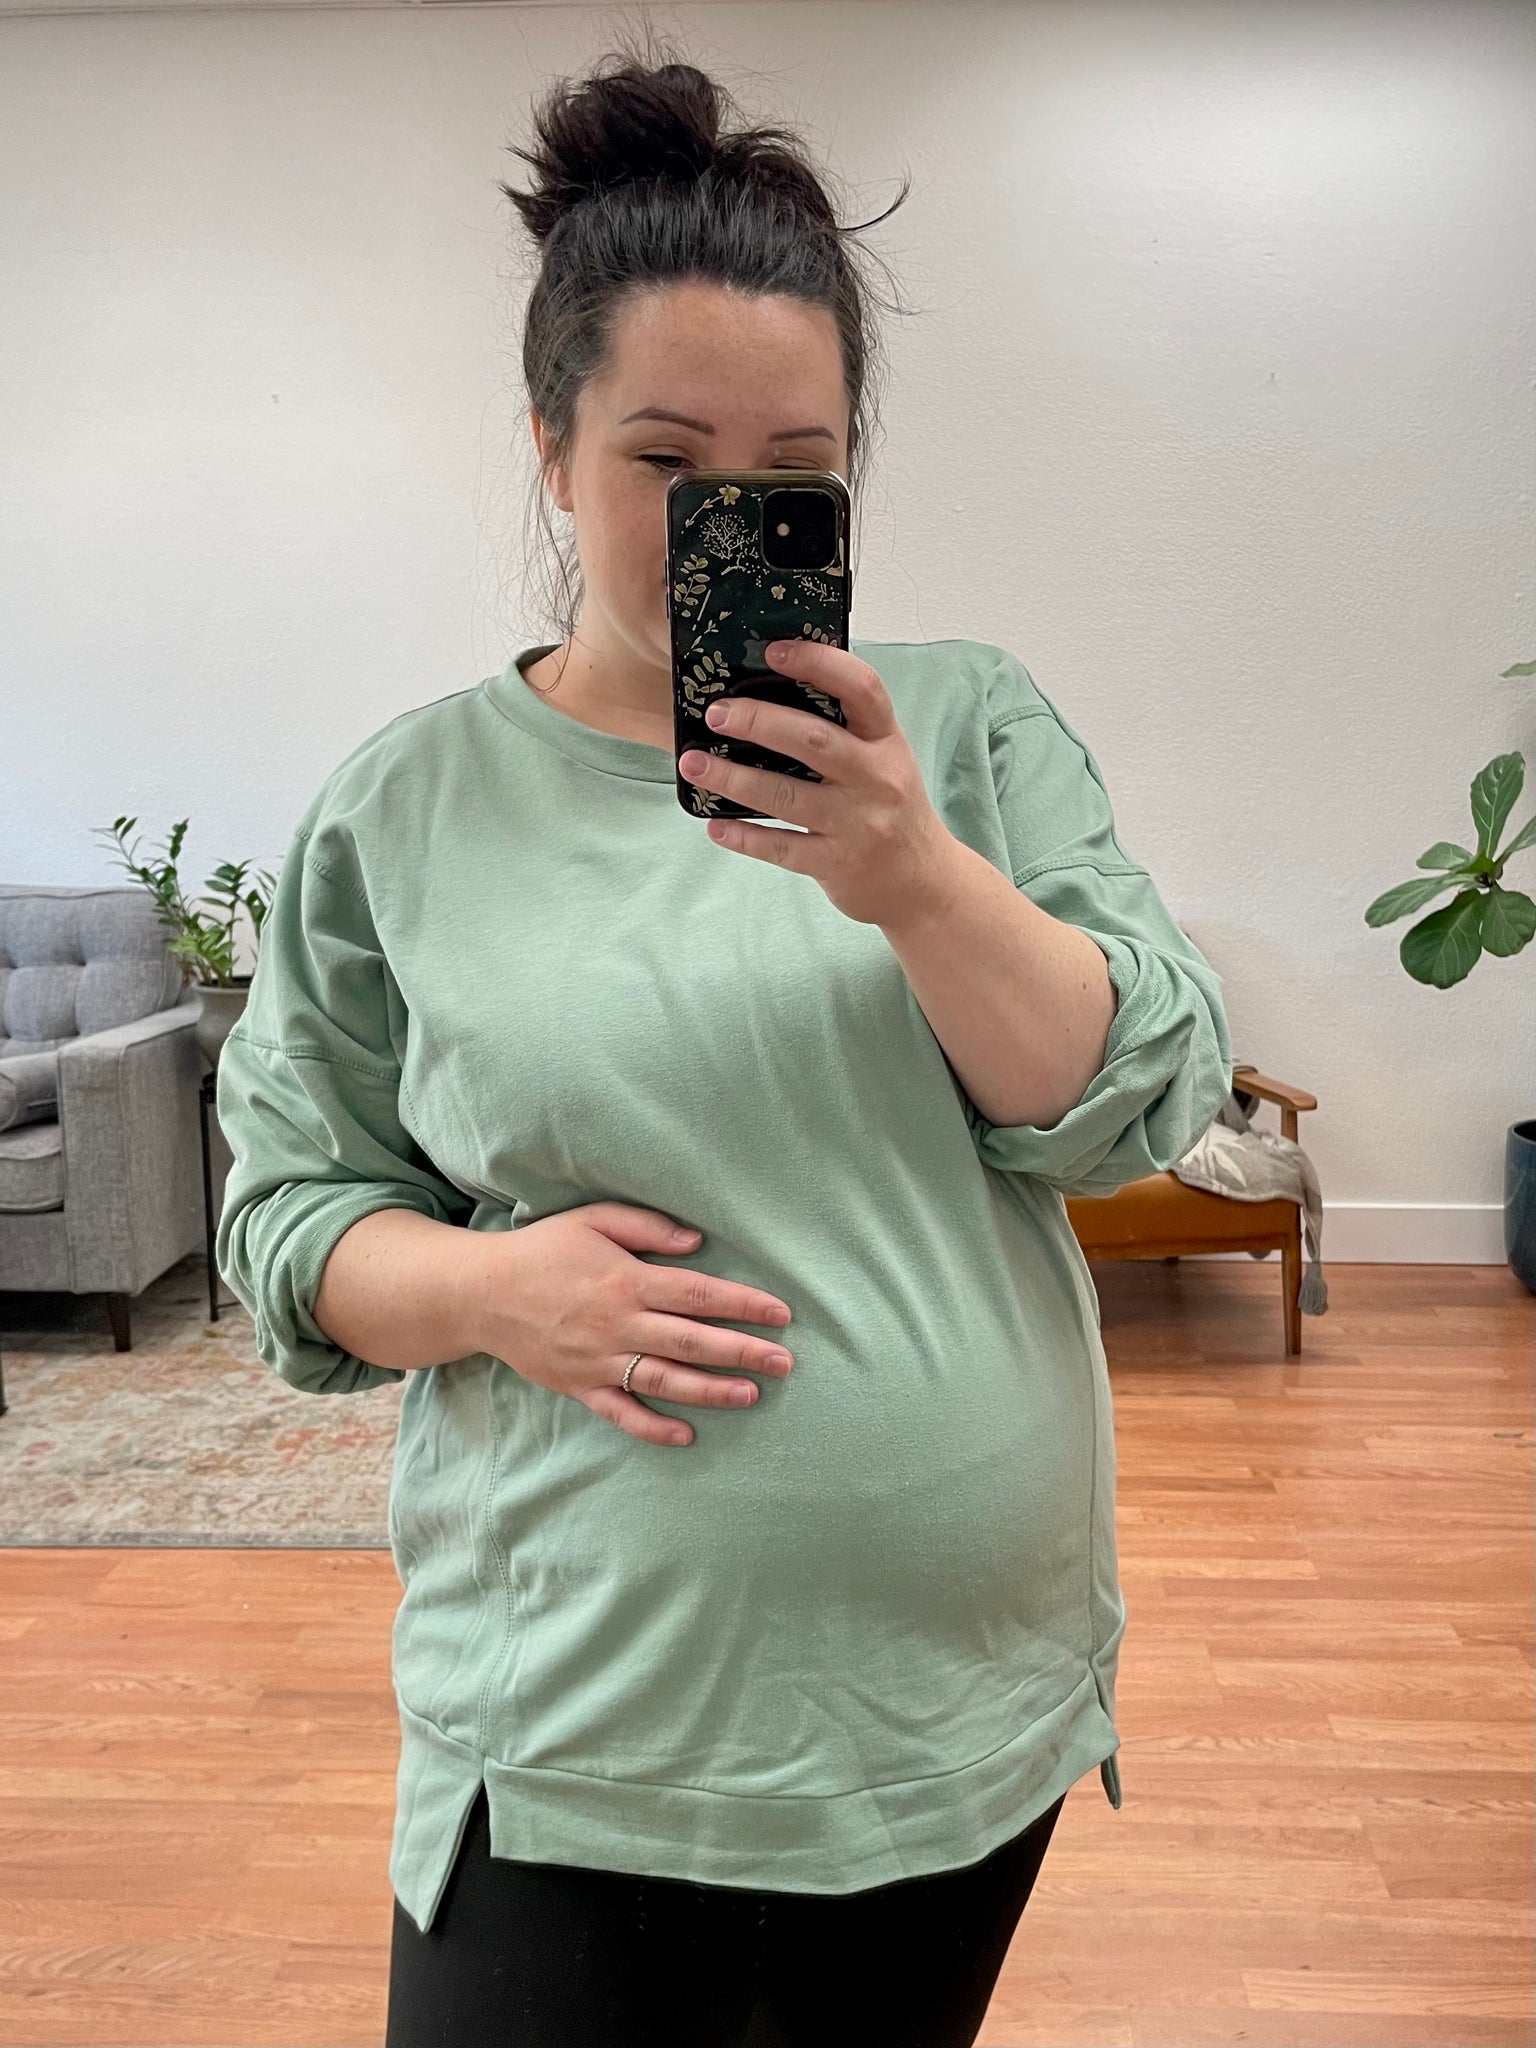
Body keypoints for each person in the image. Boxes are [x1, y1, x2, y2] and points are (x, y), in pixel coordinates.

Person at [215, 30, 1234, 2048]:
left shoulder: (966, 731)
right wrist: (496, 1291)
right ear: (549, 447)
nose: (725, 522)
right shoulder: (403, 807)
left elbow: (1131, 1103)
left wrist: (916, 876)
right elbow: (289, 1225)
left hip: (952, 1715)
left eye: (792, 478)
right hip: (583, 1721)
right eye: (667, 465)